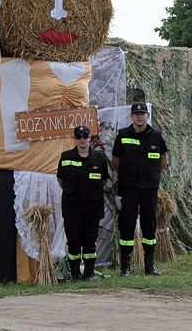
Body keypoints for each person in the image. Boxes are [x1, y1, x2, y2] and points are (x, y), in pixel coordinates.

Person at [112, 102, 169, 276]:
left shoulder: (156, 136)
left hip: (149, 189)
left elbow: (163, 161)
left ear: (147, 116)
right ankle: (125, 267)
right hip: (129, 188)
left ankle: (149, 266)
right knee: (127, 224)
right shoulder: (122, 135)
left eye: (142, 114)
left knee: (149, 225)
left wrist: (149, 175)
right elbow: (116, 162)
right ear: (131, 116)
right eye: (136, 114)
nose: (139, 116)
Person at [56, 125, 109, 280]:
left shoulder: (99, 159)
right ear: (75, 139)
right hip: (72, 207)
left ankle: (89, 273)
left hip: (92, 207)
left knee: (90, 241)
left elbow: (104, 180)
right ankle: (75, 274)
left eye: (85, 136)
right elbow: (60, 179)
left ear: (90, 138)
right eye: (78, 137)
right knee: (73, 241)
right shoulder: (66, 157)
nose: (82, 139)